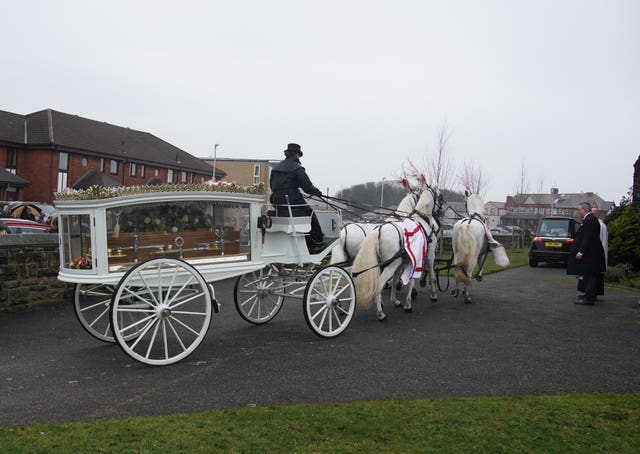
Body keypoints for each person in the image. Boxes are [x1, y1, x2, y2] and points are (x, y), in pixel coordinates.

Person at [270, 143, 325, 252]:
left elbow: (272, 186)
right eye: (299, 155)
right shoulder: (297, 169)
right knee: (311, 216)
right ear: (296, 155)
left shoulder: (275, 169)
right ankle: (316, 243)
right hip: (293, 201)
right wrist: (317, 192)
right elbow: (307, 187)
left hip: (278, 203)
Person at [567, 202, 606, 305]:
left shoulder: (589, 220)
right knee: (587, 275)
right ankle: (588, 295)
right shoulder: (591, 220)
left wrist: (581, 251)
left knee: (589, 276)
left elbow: (587, 238)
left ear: (584, 210)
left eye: (579, 210)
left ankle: (589, 298)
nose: (578, 212)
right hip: (591, 253)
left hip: (590, 254)